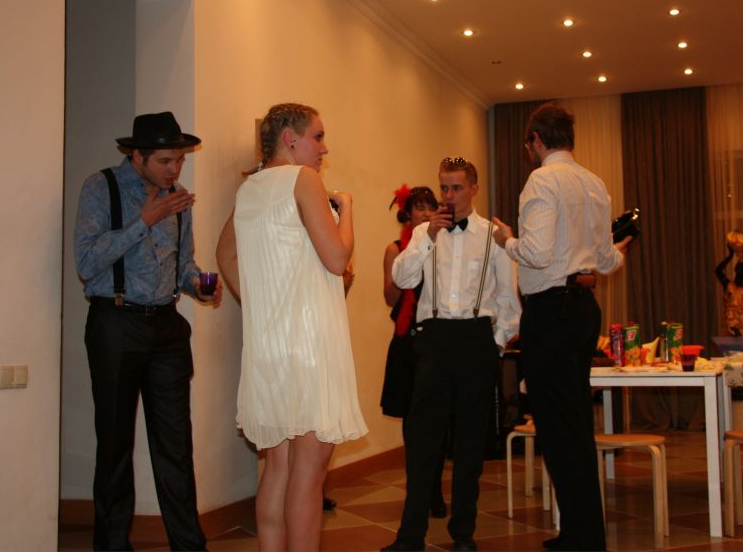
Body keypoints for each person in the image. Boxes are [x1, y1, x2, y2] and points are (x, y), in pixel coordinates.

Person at [215, 103, 367, 552]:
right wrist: (348, 209)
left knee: (278, 468)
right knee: (308, 474)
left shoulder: (250, 189)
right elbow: (337, 258)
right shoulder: (304, 180)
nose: (324, 148)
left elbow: (225, 255)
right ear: (290, 138)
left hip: (269, 347)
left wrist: (263, 304)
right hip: (309, 345)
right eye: (317, 136)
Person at [74, 111, 222, 552]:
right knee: (115, 445)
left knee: (176, 444)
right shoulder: (101, 188)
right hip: (115, 324)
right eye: (165, 161)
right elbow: (86, 263)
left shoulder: (178, 199)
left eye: (179, 160)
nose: (175, 170)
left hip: (166, 329)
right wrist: (144, 221)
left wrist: (197, 285)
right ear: (137, 156)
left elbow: (183, 264)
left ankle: (189, 545)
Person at [491, 103, 631, 552]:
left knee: (556, 425)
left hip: (551, 312)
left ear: (535, 140)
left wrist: (505, 239)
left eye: (529, 144)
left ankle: (582, 536)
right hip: (583, 309)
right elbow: (606, 260)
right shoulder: (594, 182)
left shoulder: (542, 181)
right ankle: (583, 531)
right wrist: (622, 247)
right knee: (576, 423)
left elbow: (535, 252)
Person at [382, 158, 521, 552]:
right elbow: (402, 279)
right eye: (444, 187)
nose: (448, 196)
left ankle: (464, 534)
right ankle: (410, 536)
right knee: (422, 441)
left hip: (476, 340)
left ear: (474, 189)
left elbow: (509, 300)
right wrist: (427, 236)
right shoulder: (424, 232)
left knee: (469, 442)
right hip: (435, 340)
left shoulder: (493, 235)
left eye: (456, 188)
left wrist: (495, 343)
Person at [379, 184, 447, 519]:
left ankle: (435, 487)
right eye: (419, 207)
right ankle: (417, 488)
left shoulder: (444, 244)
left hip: (437, 339)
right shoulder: (395, 249)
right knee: (412, 419)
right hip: (407, 340)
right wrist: (406, 268)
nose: (426, 213)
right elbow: (390, 298)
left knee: (438, 417)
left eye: (431, 207)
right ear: (407, 213)